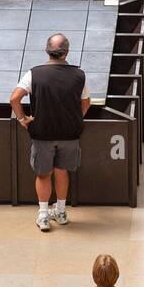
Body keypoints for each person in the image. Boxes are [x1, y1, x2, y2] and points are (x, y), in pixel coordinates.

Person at [10, 33, 90, 232]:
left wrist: (23, 119)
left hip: (43, 134)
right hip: (70, 134)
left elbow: (14, 99)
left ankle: (44, 215)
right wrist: (75, 118)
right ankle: (61, 212)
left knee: (43, 174)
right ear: (67, 52)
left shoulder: (34, 74)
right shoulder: (79, 75)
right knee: (62, 172)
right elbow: (86, 102)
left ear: (47, 51)